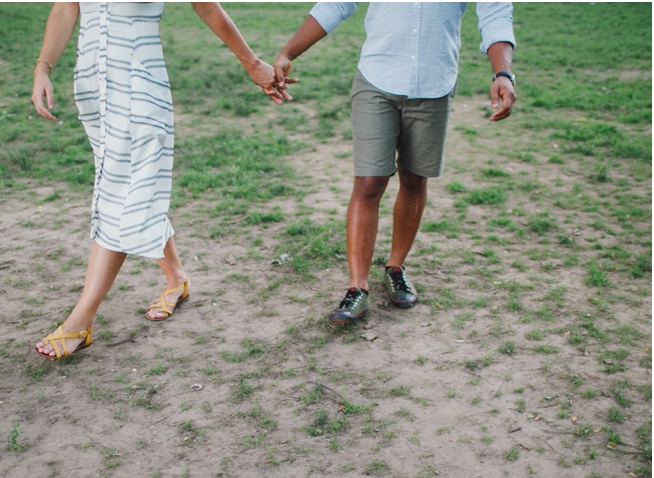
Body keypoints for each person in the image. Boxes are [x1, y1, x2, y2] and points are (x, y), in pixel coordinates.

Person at [32, 2, 292, 359]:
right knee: (130, 191)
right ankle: (177, 278)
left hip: (140, 89)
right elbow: (65, 8)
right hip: (93, 89)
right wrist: (42, 68)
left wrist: (251, 62)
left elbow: (208, 8)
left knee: (123, 196)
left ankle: (81, 319)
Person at [273, 3, 516, 323]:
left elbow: (496, 13)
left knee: (415, 179)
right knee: (369, 182)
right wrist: (289, 52)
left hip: (434, 83)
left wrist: (503, 73)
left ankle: (396, 267)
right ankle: (357, 288)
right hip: (377, 79)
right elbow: (338, 2)